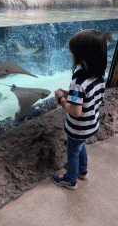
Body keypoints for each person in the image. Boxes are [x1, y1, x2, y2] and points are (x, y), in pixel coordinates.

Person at [52, 29, 107, 190]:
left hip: (78, 128)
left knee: (73, 152)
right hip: (92, 124)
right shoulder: (100, 74)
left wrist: (61, 99)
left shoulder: (78, 80)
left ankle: (70, 180)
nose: (70, 54)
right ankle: (83, 171)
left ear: (82, 55)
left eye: (72, 52)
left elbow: (75, 111)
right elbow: (88, 96)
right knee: (80, 146)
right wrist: (70, 94)